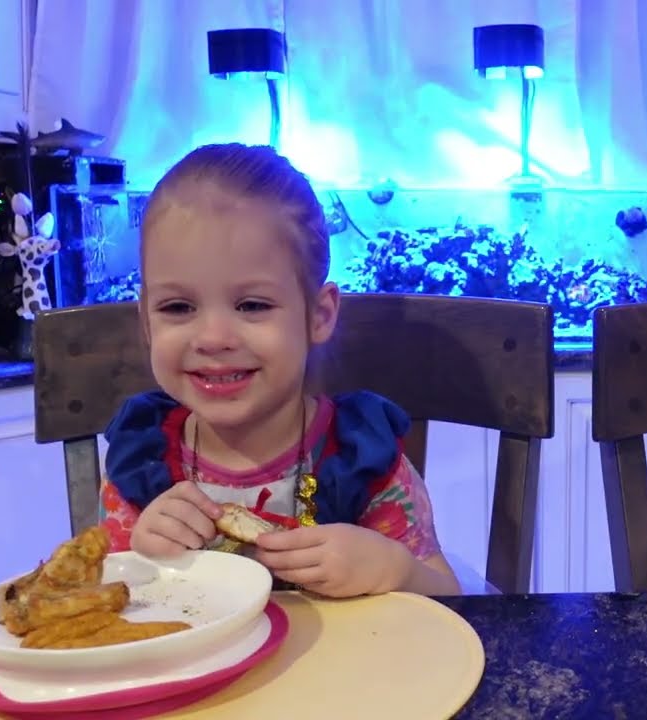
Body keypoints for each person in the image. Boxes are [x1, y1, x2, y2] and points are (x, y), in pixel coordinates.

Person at [97, 143, 460, 597]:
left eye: (252, 305)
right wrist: (139, 561)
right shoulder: (139, 467)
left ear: (319, 315)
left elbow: (450, 599)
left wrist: (397, 571)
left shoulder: (363, 461)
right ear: (146, 322)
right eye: (177, 306)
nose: (213, 337)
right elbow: (103, 607)